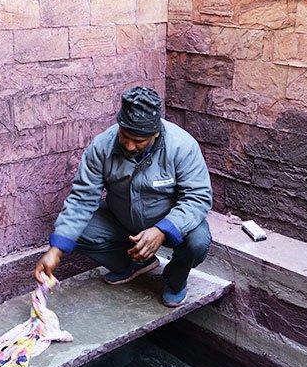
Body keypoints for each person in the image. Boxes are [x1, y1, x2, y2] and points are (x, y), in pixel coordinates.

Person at [35, 86, 212, 307]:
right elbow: (82, 199)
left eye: (139, 141)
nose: (129, 145)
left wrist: (162, 230)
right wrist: (56, 251)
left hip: (167, 222)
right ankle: (135, 264)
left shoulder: (182, 146)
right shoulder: (102, 146)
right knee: (74, 232)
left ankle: (174, 279)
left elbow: (198, 197)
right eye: (125, 136)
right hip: (122, 221)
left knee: (198, 241)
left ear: (155, 133)